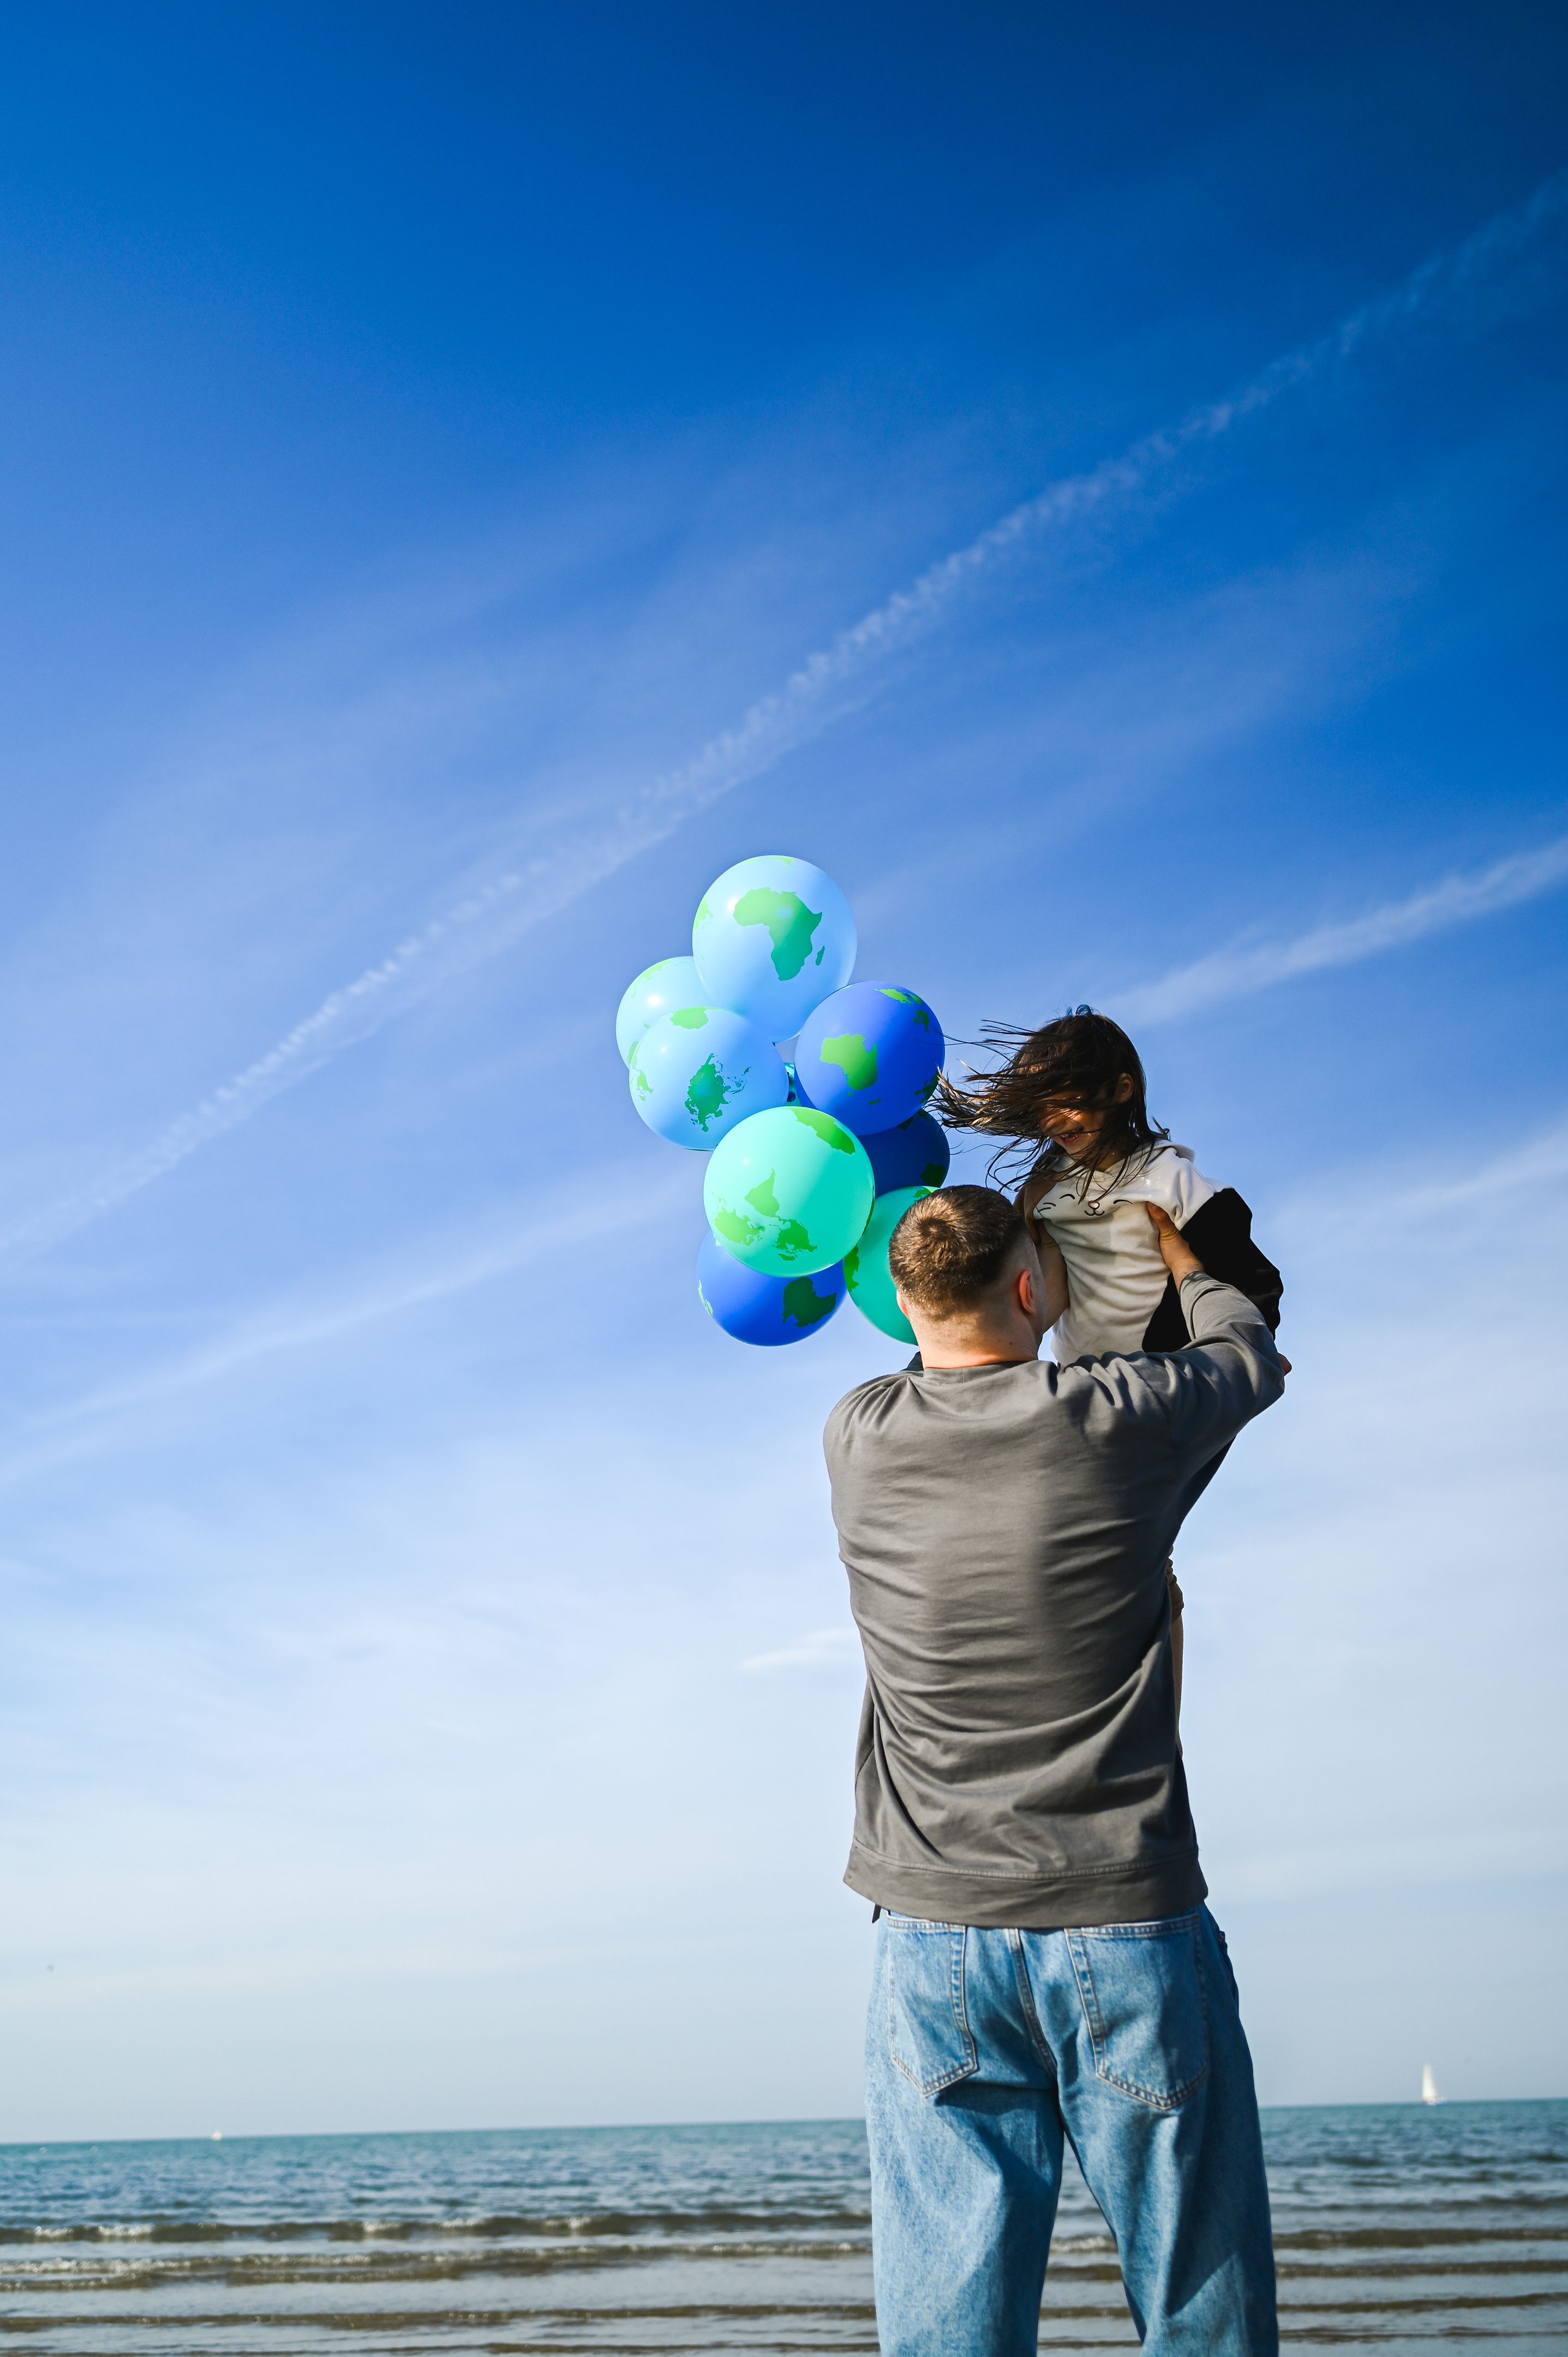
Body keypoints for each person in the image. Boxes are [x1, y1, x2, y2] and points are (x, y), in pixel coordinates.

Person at [822, 1185, 1284, 2355]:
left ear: (900, 1301)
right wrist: (1181, 1260)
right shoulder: (1116, 1417)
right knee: (1199, 2305)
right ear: (1034, 1286)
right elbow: (1245, 1354)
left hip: (933, 1940)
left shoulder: (855, 1435)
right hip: (1123, 1925)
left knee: (950, 2325)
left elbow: (939, 1330)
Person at [935, 1005, 1285, 1718]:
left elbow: (1241, 1277)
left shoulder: (1173, 1184)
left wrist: (1248, 1349)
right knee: (1074, 1545)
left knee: (1138, 1554)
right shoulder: (1044, 1193)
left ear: (1121, 1090)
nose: (1057, 1117)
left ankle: (1151, 1724)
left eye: (1071, 1098)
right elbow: (1045, 1293)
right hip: (1083, 1395)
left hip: (1161, 1386)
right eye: (1044, 1105)